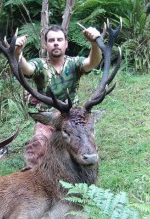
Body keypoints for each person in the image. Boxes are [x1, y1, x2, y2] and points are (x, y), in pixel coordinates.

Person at [15, 24, 102, 169]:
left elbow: (92, 62)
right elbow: (27, 69)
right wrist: (18, 53)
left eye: (59, 39)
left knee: (83, 141)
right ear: (46, 45)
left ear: (66, 44)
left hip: (73, 116)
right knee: (38, 145)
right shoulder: (39, 64)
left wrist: (94, 43)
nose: (56, 42)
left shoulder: (74, 63)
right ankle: (35, 175)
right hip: (49, 118)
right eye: (51, 40)